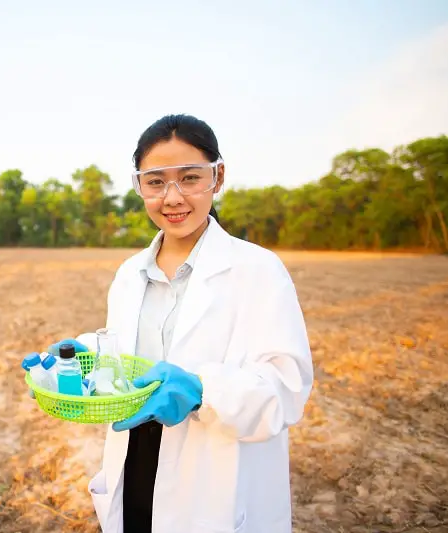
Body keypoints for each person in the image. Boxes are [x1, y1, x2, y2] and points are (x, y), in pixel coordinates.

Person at [39, 114, 314, 533]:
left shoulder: (257, 269)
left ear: (217, 177)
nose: (172, 197)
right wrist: (79, 356)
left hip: (212, 478)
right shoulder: (129, 273)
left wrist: (203, 390)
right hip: (135, 462)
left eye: (189, 178)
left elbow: (287, 386)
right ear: (139, 186)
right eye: (155, 182)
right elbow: (129, 355)